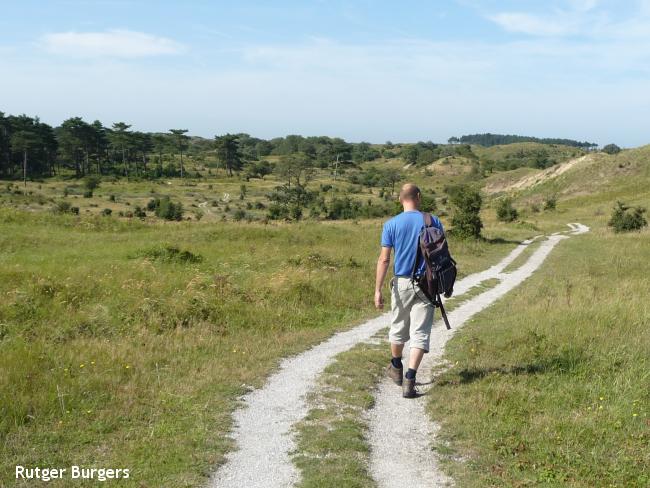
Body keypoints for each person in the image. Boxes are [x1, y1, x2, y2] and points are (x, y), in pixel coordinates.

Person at [374, 183, 445, 398]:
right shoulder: (433, 221)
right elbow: (440, 254)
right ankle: (410, 379)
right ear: (419, 197)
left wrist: (377, 289)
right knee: (420, 333)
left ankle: (396, 367)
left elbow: (384, 259)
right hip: (427, 283)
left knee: (398, 327)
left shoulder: (391, 224)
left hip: (402, 283)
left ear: (400, 199)